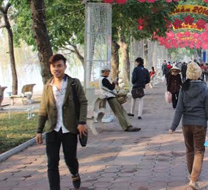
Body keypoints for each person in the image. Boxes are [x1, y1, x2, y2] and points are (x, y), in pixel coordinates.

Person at [36, 54, 88, 190]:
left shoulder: (73, 83)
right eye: (53, 66)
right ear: (50, 68)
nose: (56, 69)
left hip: (69, 128)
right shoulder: (48, 86)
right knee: (52, 162)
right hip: (52, 129)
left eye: (59, 65)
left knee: (70, 159)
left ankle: (75, 173)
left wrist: (82, 122)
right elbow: (43, 109)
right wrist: (39, 130)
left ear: (65, 66)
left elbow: (83, 102)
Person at [169, 62, 208, 190]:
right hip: (200, 125)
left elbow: (179, 109)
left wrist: (173, 126)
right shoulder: (204, 88)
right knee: (199, 151)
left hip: (186, 124)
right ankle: (193, 179)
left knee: (189, 150)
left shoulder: (184, 88)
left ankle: (192, 175)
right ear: (199, 73)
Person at [99, 66, 140, 132]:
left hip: (112, 97)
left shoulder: (102, 79)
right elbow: (111, 87)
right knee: (119, 113)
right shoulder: (103, 79)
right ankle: (126, 126)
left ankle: (129, 125)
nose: (109, 73)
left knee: (121, 111)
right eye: (108, 72)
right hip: (111, 97)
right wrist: (114, 82)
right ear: (105, 72)